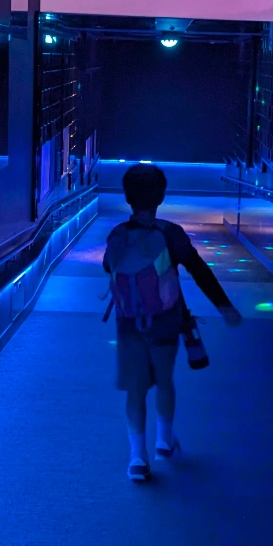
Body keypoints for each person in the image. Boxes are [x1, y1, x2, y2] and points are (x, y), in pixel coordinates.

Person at [103, 163, 243, 482]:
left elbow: (107, 267)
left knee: (135, 390)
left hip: (128, 323)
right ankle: (164, 441)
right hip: (166, 320)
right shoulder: (170, 233)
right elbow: (199, 270)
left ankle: (137, 459)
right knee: (164, 380)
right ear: (161, 197)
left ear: (127, 197)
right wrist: (224, 307)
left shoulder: (118, 235)